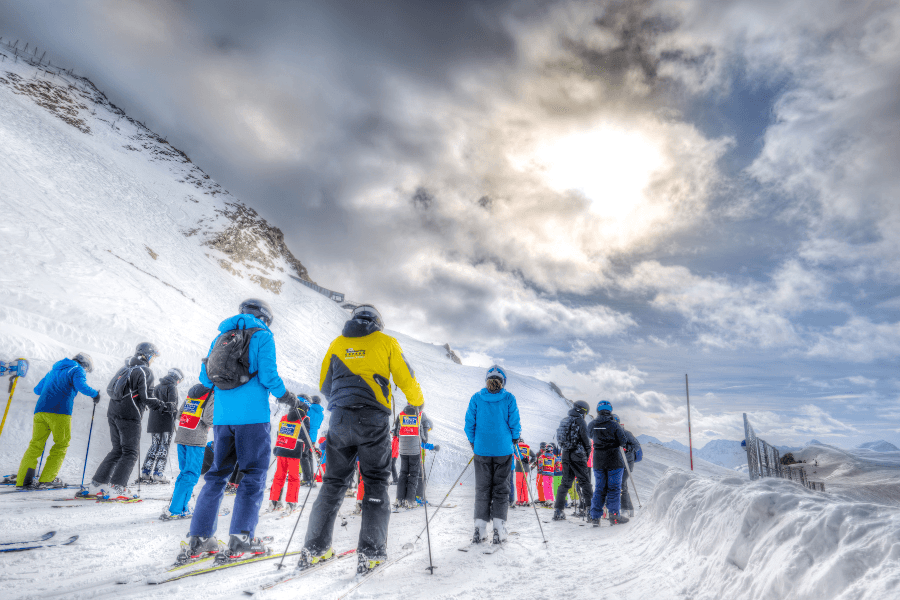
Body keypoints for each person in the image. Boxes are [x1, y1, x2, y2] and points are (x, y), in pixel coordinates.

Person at [299, 304, 424, 575]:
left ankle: (315, 548)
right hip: (373, 420)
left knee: (333, 482)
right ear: (378, 321)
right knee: (376, 481)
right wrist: (417, 402)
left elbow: (325, 385)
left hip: (340, 419)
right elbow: (407, 377)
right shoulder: (386, 342)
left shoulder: (338, 344)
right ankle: (371, 552)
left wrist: (346, 399)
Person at [184, 298, 295, 562]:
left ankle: (200, 539)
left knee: (216, 476)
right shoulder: (263, 336)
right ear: (265, 318)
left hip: (223, 418)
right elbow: (268, 376)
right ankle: (241, 538)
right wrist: (287, 396)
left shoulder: (221, 336)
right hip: (253, 418)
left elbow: (205, 378)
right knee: (253, 475)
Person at [80, 343, 172, 499]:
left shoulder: (125, 368)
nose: (153, 360)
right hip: (129, 416)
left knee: (117, 450)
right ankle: (117, 488)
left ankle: (97, 485)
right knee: (130, 452)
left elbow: (110, 389)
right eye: (153, 357)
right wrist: (163, 406)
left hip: (113, 413)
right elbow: (147, 397)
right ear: (147, 355)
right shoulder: (144, 371)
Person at [16, 353, 99, 489]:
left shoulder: (53, 370)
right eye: (86, 369)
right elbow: (81, 386)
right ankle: (47, 479)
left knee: (35, 445)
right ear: (84, 364)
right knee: (61, 445)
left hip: (40, 411)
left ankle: (23, 480)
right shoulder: (77, 369)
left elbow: (37, 390)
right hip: (60, 412)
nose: (85, 371)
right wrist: (95, 394)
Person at [464, 365, 521, 546]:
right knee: (501, 489)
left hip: (481, 450)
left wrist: (474, 442)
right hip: (503, 450)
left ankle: (479, 530)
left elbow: (469, 424)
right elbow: (514, 422)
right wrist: (514, 438)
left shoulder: (476, 398)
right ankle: (499, 530)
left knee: (482, 488)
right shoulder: (509, 398)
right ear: (503, 381)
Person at [165, 383, 215, 519]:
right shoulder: (211, 395)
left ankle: (181, 507)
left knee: (185, 473)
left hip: (182, 436)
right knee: (191, 474)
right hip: (196, 439)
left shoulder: (193, 393)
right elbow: (209, 419)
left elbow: (179, 414)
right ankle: (176, 510)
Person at [588, 400, 629, 526]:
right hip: (614, 460)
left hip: (598, 461)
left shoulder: (592, 424)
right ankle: (614, 516)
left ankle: (595, 517)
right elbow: (623, 441)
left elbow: (590, 436)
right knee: (614, 488)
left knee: (599, 488)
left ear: (598, 410)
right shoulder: (614, 425)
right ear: (610, 410)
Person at [140, 367, 184, 484]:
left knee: (155, 445)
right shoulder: (172, 387)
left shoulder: (157, 386)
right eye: (180, 380)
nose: (179, 382)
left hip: (154, 420)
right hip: (166, 421)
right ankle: (158, 473)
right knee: (164, 445)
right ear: (176, 378)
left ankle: (146, 472)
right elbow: (171, 405)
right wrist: (175, 413)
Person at [552, 400, 593, 521]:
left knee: (565, 483)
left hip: (565, 454)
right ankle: (591, 511)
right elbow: (586, 441)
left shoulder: (564, 420)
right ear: (583, 411)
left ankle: (558, 511)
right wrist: (586, 455)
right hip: (578, 455)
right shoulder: (580, 421)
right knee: (585, 482)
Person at [268, 401, 310, 513]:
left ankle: (273, 502)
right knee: (293, 477)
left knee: (279, 476)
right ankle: (291, 503)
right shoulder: (304, 419)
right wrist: (309, 450)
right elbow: (305, 437)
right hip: (294, 451)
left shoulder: (284, 417)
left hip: (282, 449)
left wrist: (277, 448)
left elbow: (280, 433)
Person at [393, 404, 427, 509]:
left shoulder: (401, 415)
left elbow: (396, 432)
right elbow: (423, 437)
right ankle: (410, 500)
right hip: (414, 450)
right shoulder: (419, 415)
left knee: (403, 473)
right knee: (413, 474)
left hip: (403, 449)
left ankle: (399, 499)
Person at [618, 415, 642, 518]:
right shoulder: (612, 434)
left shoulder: (626, 433)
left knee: (621, 484)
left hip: (627, 463)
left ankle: (625, 509)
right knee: (622, 485)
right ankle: (630, 509)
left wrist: (626, 447)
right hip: (618, 463)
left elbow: (636, 446)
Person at [301, 395, 324, 487]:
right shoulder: (321, 413)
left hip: (306, 435)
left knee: (304, 456)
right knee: (310, 456)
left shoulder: (309, 409)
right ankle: (310, 478)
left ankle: (307, 479)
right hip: (313, 437)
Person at [513, 439, 534, 506]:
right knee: (524, 483)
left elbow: (514, 455)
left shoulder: (517, 446)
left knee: (519, 484)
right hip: (526, 468)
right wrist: (529, 462)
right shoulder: (527, 448)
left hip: (519, 468)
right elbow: (534, 456)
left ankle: (520, 500)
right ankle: (526, 500)